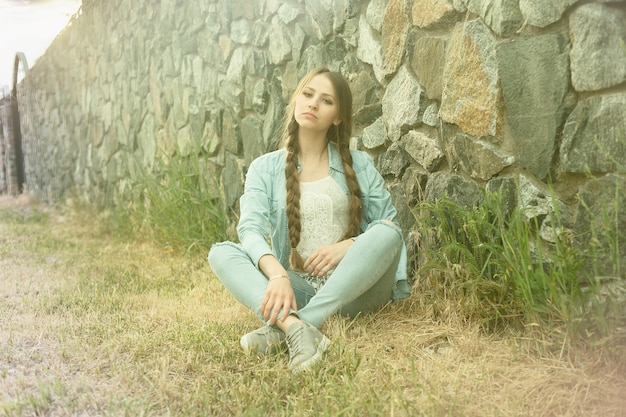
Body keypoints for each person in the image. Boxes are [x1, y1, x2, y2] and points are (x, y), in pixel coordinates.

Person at [208, 66, 409, 374]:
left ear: (337, 117)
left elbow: (390, 228)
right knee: (222, 252)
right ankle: (298, 329)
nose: (314, 104)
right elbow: (250, 229)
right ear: (297, 101)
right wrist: (278, 276)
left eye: (326, 101)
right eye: (308, 94)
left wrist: (348, 246)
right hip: (297, 288)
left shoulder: (360, 164)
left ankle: (288, 327)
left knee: (389, 234)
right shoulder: (265, 168)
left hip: (357, 290)